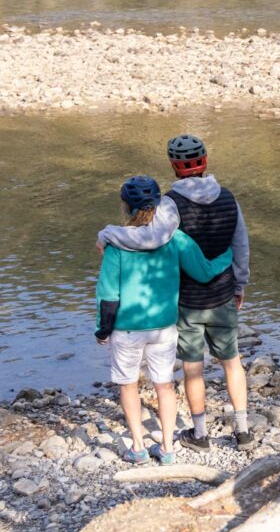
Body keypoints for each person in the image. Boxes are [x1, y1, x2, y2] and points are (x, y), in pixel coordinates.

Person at [97, 135, 253, 449]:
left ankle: (200, 434)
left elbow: (148, 238)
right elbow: (241, 246)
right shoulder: (229, 198)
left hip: (186, 300)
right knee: (232, 361)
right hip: (223, 294)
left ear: (173, 165)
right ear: (205, 160)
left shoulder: (169, 204)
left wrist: (109, 234)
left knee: (193, 367)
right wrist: (240, 283)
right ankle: (243, 430)